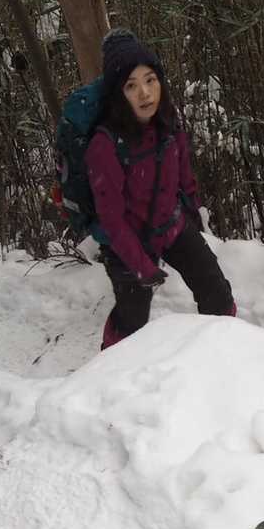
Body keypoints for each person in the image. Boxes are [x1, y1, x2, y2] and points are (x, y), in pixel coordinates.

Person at [88, 28, 235, 349]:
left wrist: (192, 215)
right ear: (118, 94)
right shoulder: (105, 144)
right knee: (131, 321)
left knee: (216, 292)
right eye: (131, 85)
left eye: (150, 79)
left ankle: (223, 353)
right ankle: (110, 368)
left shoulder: (168, 122)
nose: (145, 93)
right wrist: (142, 266)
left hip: (170, 225)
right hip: (127, 242)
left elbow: (184, 175)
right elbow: (111, 219)